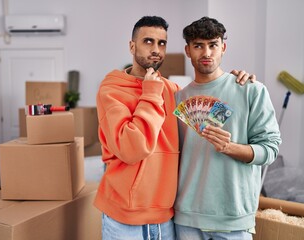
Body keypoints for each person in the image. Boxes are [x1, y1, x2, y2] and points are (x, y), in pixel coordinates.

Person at [94, 16, 255, 240]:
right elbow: (132, 149)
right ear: (132, 46)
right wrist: (150, 92)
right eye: (148, 41)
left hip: (167, 219)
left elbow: (205, 106)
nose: (156, 49)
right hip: (125, 219)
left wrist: (235, 80)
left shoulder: (174, 92)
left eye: (162, 43)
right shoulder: (111, 91)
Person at [174, 16, 282, 240]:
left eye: (213, 45)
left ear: (223, 47)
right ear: (187, 50)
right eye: (198, 46)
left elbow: (270, 149)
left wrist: (230, 147)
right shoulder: (177, 99)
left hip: (234, 218)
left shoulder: (250, 90)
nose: (206, 53)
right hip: (186, 217)